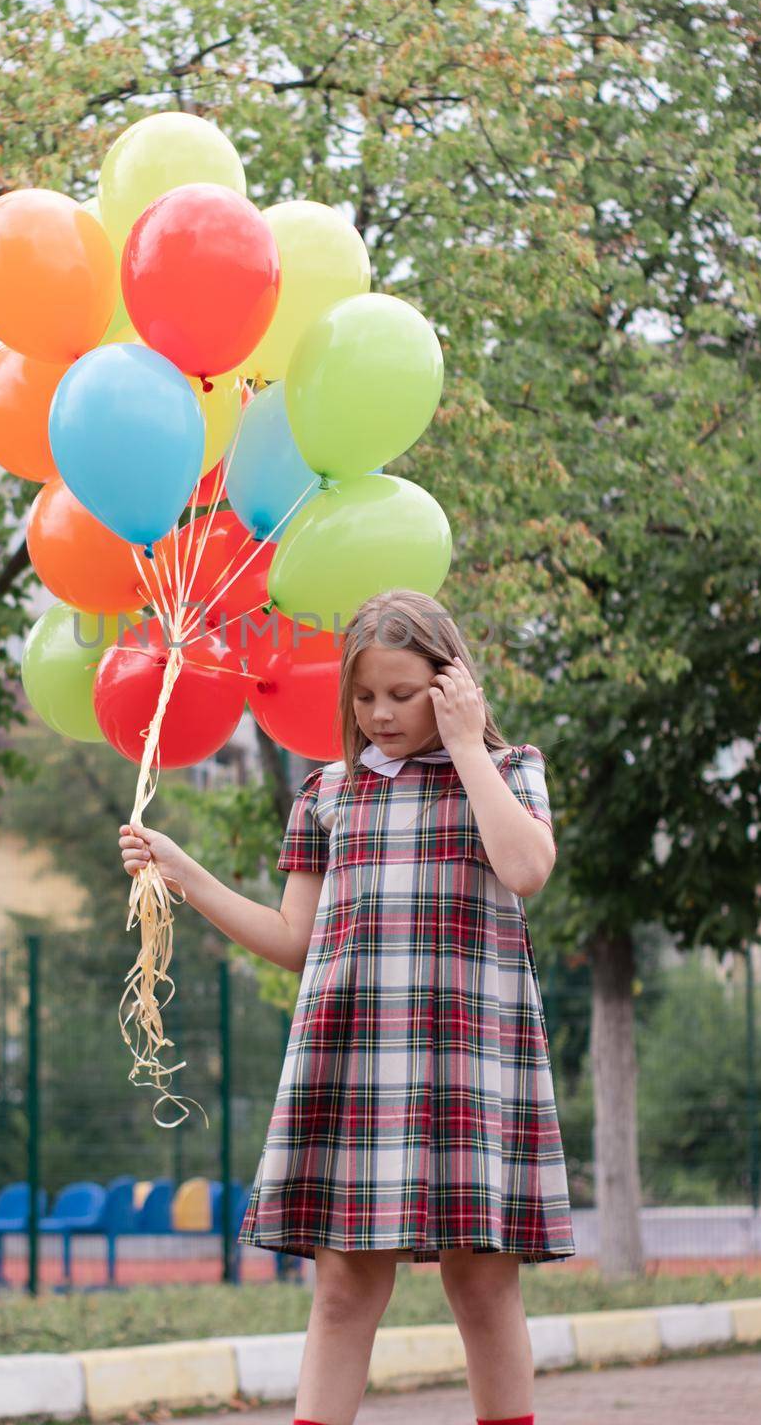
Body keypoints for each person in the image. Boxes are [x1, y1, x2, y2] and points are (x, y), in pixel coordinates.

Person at [119, 589, 575, 1425]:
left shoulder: (509, 773)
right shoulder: (329, 793)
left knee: (480, 1284)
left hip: (468, 1062)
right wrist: (185, 873)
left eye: (403, 694)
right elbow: (295, 940)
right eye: (364, 697)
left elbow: (526, 869)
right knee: (339, 1289)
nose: (380, 714)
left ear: (451, 684)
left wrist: (470, 746)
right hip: (356, 1064)